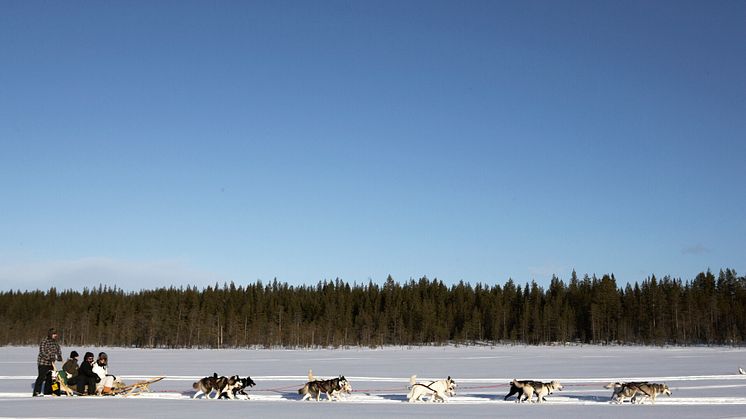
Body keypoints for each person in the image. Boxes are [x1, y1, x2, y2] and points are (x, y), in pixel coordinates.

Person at [33, 328, 62, 397]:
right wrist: (49, 358)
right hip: (43, 363)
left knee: (52, 378)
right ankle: (36, 392)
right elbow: (43, 352)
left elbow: (58, 350)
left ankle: (50, 391)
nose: (55, 335)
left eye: (56, 334)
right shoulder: (44, 342)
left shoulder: (55, 342)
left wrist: (59, 356)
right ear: (50, 334)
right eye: (54, 334)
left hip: (51, 363)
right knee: (42, 377)